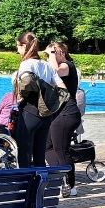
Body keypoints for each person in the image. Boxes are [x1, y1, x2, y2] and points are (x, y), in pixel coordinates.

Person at [12, 32, 61, 168]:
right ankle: (41, 186)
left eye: (18, 46)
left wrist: (22, 96)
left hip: (29, 111)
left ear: (23, 46)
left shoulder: (26, 64)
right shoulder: (46, 65)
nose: (17, 50)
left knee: (24, 153)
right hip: (45, 115)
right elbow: (60, 86)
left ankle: (25, 186)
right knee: (40, 154)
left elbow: (25, 83)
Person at [44, 41, 82, 197]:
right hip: (60, 113)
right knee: (47, 146)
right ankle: (60, 179)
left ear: (61, 53)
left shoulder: (67, 65)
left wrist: (52, 55)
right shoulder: (60, 65)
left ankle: (70, 185)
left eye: (52, 53)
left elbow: (56, 72)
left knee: (61, 150)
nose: (49, 56)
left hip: (68, 113)